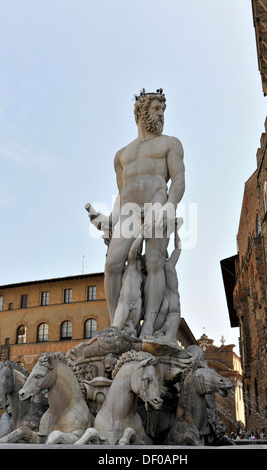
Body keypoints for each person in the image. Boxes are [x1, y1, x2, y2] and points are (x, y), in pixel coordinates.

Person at [87, 89, 185, 338]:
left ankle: (149, 327)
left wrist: (170, 207)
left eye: (163, 110)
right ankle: (115, 326)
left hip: (157, 205)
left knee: (154, 262)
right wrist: (110, 221)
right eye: (156, 109)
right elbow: (121, 193)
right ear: (141, 112)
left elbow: (179, 180)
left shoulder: (170, 143)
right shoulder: (121, 155)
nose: (161, 114)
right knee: (112, 263)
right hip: (129, 211)